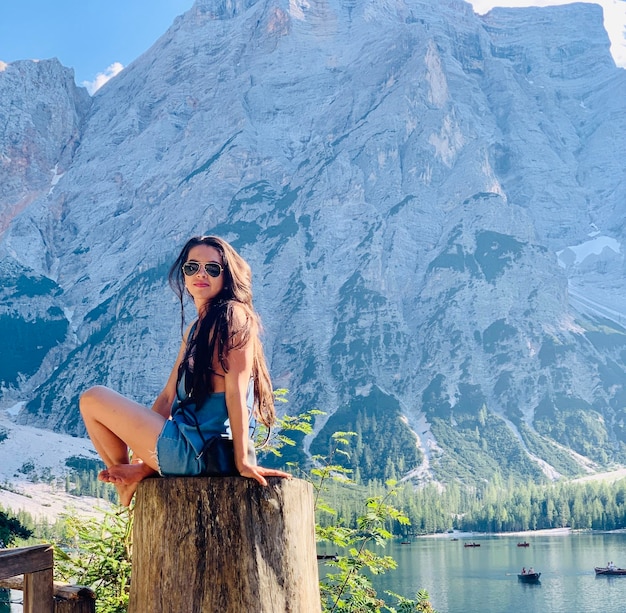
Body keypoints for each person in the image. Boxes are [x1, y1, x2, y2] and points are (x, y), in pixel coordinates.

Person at [80, 235, 291, 506]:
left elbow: (236, 393)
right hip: (187, 443)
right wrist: (142, 460)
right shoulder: (196, 328)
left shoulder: (234, 317)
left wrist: (244, 461)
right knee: (92, 403)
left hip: (200, 452)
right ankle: (135, 476)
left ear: (227, 276)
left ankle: (132, 481)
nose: (200, 274)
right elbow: (168, 397)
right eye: (192, 267)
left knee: (93, 397)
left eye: (212, 269)